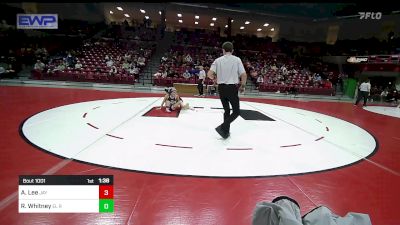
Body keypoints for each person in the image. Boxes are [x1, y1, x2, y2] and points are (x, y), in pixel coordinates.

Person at [207, 41, 247, 139]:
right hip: (232, 88)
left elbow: (209, 74)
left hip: (221, 88)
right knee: (236, 112)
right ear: (232, 50)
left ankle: (225, 132)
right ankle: (223, 126)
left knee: (227, 110)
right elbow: (244, 74)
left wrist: (215, 79)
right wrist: (243, 85)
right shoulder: (237, 60)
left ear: (223, 50)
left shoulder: (217, 60)